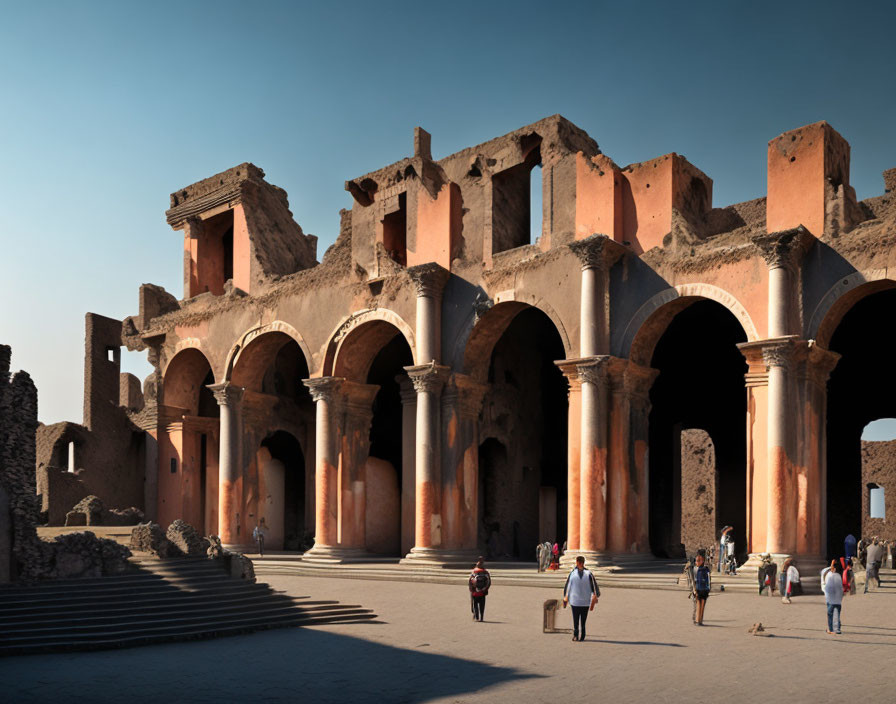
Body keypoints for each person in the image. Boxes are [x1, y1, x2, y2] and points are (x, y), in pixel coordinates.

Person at [563, 556, 599, 641]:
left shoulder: (588, 573)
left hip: (584, 601)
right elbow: (568, 586)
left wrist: (595, 595)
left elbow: (593, 586)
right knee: (576, 620)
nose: (578, 563)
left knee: (582, 620)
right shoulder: (573, 573)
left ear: (579, 562)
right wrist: (566, 597)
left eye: (579, 562)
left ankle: (582, 635)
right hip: (575, 601)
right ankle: (576, 635)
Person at [824, 560, 844, 635]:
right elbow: (840, 588)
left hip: (831, 600)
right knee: (837, 615)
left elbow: (828, 587)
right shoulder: (839, 576)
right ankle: (838, 629)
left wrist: (826, 595)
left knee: (830, 614)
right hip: (838, 600)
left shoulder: (830, 576)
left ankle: (831, 629)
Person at [692, 553, 711, 625]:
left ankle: (699, 620)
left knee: (701, 605)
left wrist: (709, 588)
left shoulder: (704, 569)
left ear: (702, 561)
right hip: (700, 589)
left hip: (702, 589)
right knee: (700, 605)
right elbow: (693, 580)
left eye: (698, 561)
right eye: (696, 561)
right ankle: (698, 620)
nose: (696, 562)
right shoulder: (697, 569)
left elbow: (708, 580)